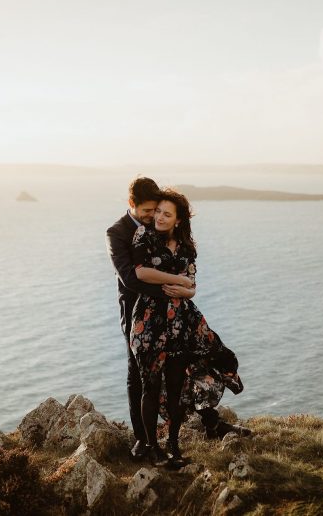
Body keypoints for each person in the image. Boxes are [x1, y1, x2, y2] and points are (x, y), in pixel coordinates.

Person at [130, 188, 248, 468]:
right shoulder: (144, 237)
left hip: (181, 323)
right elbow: (140, 272)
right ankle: (152, 447)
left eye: (166, 214)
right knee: (150, 385)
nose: (158, 217)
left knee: (174, 385)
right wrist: (176, 280)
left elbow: (192, 287)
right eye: (157, 211)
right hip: (149, 322)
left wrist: (184, 289)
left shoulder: (186, 247)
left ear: (178, 220)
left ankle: (173, 446)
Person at [105, 177, 194, 461]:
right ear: (132, 204)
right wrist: (173, 289)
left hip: (170, 315)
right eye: (147, 211)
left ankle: (173, 437)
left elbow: (181, 265)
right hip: (135, 313)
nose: (152, 216)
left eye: (156, 210)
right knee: (138, 376)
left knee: (175, 372)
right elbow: (131, 278)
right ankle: (143, 440)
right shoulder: (117, 233)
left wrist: (185, 289)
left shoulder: (158, 229)